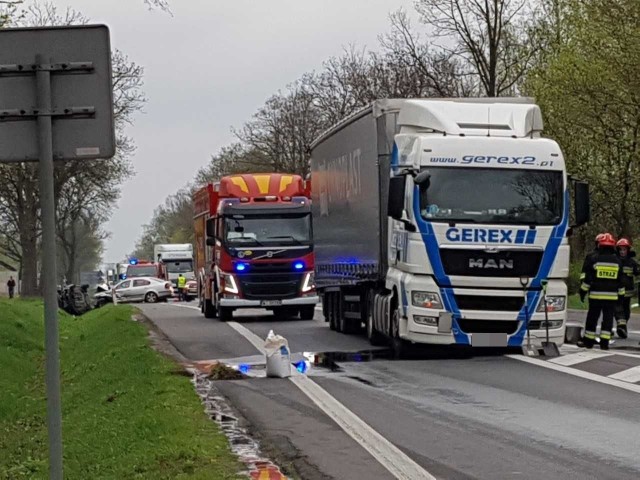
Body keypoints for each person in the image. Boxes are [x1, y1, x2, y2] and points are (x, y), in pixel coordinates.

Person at [579, 233, 625, 350]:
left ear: (600, 246)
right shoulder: (617, 261)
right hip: (611, 298)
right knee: (608, 320)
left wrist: (583, 292)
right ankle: (604, 343)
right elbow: (621, 281)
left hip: (595, 297)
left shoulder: (595, 259)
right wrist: (621, 296)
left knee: (592, 318)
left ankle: (589, 341)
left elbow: (588, 279)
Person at [614, 238, 638, 339]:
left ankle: (623, 328)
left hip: (628, 291)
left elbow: (637, 272)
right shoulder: (614, 260)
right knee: (618, 309)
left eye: (624, 250)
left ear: (628, 250)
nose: (622, 252)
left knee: (626, 310)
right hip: (617, 291)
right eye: (621, 250)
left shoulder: (632, 262)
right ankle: (621, 327)